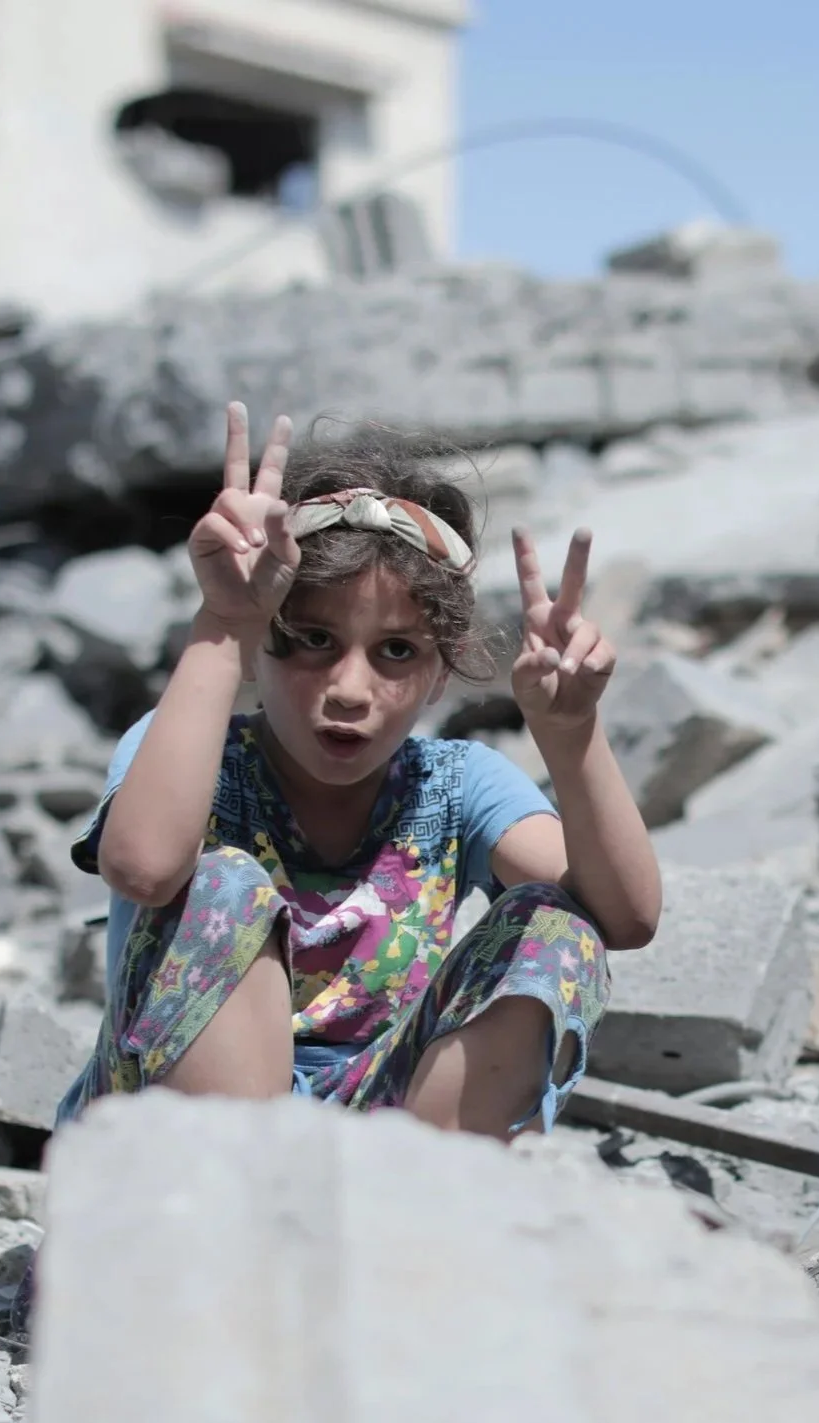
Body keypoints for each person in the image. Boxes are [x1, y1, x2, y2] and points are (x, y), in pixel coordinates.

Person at [55, 403, 663, 1142]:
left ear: (441, 675)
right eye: (314, 639)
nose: (349, 688)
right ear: (264, 642)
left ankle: (427, 1199)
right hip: (180, 1156)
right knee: (223, 884)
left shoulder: (455, 784)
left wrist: (571, 735)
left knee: (557, 928)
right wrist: (225, 624)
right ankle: (248, 1208)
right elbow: (145, 868)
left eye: (397, 652)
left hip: (379, 1148)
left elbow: (623, 917)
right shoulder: (190, 752)